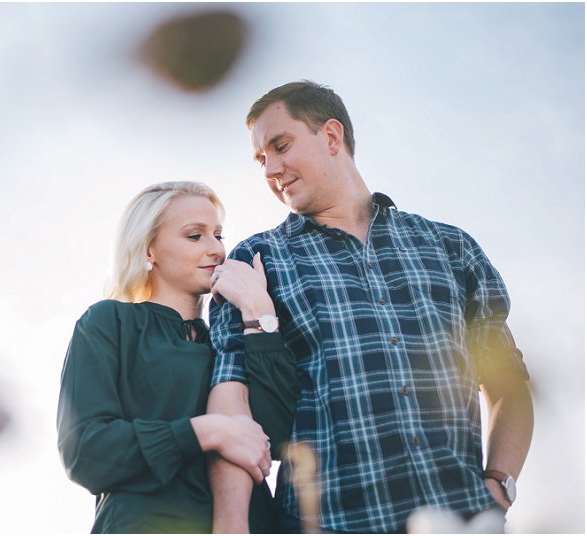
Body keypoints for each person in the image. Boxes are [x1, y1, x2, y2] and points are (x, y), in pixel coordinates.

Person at [206, 81, 534, 533]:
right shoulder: (254, 263)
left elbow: (508, 383)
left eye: (280, 146)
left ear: (332, 136)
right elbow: (233, 413)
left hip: (462, 520)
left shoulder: (450, 247)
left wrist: (499, 486)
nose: (271, 169)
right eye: (262, 159)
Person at [56, 181, 300, 533]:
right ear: (149, 249)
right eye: (194, 236)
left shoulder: (233, 338)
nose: (216, 249)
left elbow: (279, 438)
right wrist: (206, 431)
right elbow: (86, 454)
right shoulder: (108, 323)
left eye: (218, 235)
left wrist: (258, 310)